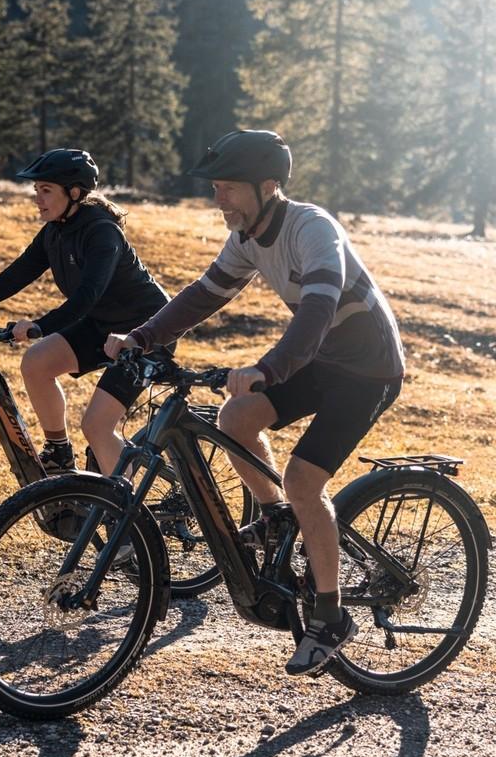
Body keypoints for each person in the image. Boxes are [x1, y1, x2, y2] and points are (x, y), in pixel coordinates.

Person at [105, 130, 404, 676]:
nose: (218, 199)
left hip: (368, 369)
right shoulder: (246, 236)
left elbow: (316, 314)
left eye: (228, 188)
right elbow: (202, 295)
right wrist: (141, 338)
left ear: (268, 188)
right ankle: (274, 516)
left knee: (303, 481)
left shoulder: (313, 229)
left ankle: (330, 615)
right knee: (235, 417)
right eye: (215, 187)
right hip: (322, 359)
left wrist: (267, 370)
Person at [0, 147, 173, 478]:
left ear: (74, 192)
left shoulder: (102, 232)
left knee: (97, 426)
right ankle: (59, 453)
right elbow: (15, 275)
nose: (37, 199)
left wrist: (39, 326)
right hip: (101, 326)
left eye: (46, 190)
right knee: (36, 362)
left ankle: (125, 507)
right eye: (36, 190)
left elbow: (86, 297)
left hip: (147, 332)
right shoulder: (55, 231)